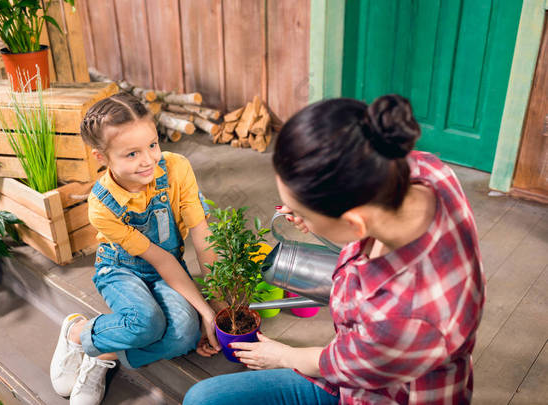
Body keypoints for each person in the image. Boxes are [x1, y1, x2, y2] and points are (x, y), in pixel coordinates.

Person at [183, 95, 485, 405]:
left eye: (301, 212)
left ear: (354, 223)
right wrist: (316, 215)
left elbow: (342, 364)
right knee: (202, 398)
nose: (293, 215)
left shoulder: (408, 316)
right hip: (362, 370)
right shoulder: (422, 171)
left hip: (378, 395)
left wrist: (283, 355)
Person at [49, 92, 221, 405]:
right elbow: (158, 257)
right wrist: (206, 310)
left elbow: (201, 234)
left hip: (167, 268)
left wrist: (216, 305)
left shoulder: (177, 169)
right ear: (101, 157)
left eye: (153, 145)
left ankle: (105, 349)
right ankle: (77, 334)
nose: (148, 160)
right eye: (131, 154)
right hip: (119, 268)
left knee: (185, 334)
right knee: (148, 322)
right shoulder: (101, 205)